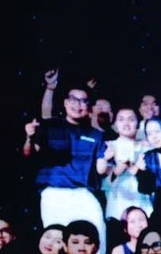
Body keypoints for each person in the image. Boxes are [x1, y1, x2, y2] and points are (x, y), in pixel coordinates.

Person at [24, 69, 108, 236]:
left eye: (83, 101)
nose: (78, 105)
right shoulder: (51, 126)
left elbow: (101, 169)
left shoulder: (96, 134)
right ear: (65, 103)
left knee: (97, 233)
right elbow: (28, 154)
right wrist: (29, 137)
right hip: (54, 192)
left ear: (88, 106)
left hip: (83, 193)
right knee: (58, 239)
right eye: (73, 100)